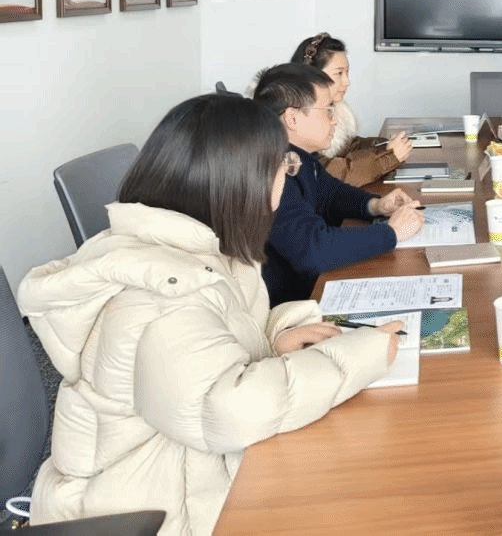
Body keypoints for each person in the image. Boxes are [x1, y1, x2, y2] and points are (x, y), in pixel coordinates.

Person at [17, 93, 402, 536]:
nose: (288, 174)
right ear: (244, 181)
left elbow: (210, 343)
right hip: (150, 506)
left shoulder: (196, 249)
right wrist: (360, 355)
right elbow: (228, 412)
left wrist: (273, 339)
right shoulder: (165, 293)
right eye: (284, 164)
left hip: (173, 468)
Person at [254, 63, 424, 305]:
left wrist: (375, 205)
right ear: (292, 118)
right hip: (289, 307)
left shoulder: (298, 156)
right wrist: (391, 232)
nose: (334, 120)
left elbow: (330, 193)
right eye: (328, 111)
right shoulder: (274, 171)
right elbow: (313, 249)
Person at [291, 32, 412, 186]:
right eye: (339, 73)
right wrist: (389, 158)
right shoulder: (296, 117)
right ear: (312, 76)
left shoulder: (329, 109)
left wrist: (385, 145)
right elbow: (328, 174)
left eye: (347, 72)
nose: (347, 81)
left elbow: (348, 146)